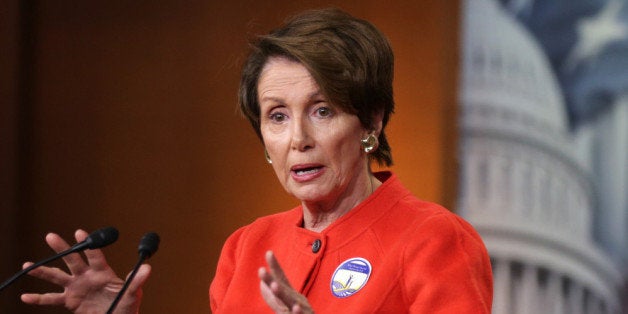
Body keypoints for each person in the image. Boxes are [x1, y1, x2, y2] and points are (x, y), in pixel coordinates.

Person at [18, 8, 493, 314]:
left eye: (322, 110)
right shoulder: (247, 247)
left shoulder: (434, 240)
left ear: (371, 120)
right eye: (278, 117)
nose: (298, 139)